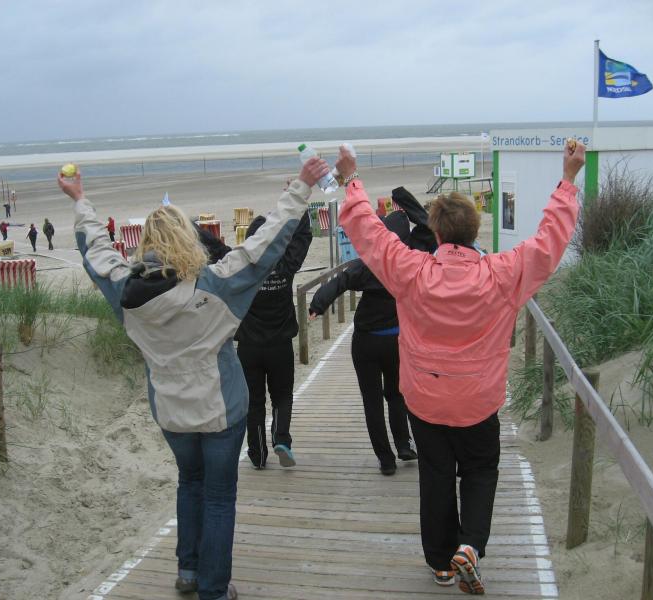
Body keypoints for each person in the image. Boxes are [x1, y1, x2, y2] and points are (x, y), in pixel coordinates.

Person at [58, 158, 329, 600]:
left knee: (190, 481)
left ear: (146, 243)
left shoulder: (126, 294)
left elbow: (97, 254)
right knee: (218, 496)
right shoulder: (216, 285)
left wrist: (80, 200)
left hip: (171, 412)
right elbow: (264, 245)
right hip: (220, 412)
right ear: (187, 238)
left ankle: (188, 570)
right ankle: (213, 589)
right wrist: (301, 186)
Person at [335, 141, 585, 594]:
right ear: (474, 231)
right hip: (478, 400)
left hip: (426, 400)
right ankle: (469, 545)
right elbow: (549, 244)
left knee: (435, 477)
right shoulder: (502, 274)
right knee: (480, 470)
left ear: (436, 232)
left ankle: (441, 564)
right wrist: (568, 180)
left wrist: (351, 179)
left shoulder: (413, 272)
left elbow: (371, 235)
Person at [309, 210, 418, 476]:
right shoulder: (409, 263)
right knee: (396, 395)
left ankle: (386, 459)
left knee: (372, 401)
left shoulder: (370, 262)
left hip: (366, 342)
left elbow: (341, 280)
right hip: (395, 341)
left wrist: (318, 304)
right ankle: (403, 444)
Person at [235, 212, 312, 469]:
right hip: (279, 345)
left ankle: (257, 453)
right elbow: (303, 237)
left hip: (249, 347)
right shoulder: (284, 262)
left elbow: (214, 257)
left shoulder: (242, 268)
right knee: (282, 395)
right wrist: (299, 206)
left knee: (254, 402)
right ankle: (281, 438)